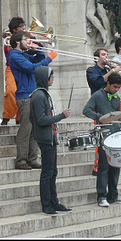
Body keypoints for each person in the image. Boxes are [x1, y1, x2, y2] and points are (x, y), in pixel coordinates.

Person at [7, 30, 56, 170]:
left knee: (35, 130)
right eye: (25, 39)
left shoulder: (22, 54)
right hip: (25, 96)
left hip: (33, 94)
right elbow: (33, 68)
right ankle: (21, 160)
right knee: (26, 129)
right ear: (17, 42)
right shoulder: (14, 55)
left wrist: (39, 49)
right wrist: (50, 58)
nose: (27, 42)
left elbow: (37, 60)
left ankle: (32, 158)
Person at [83, 72, 121, 207]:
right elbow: (86, 110)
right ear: (108, 84)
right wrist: (100, 117)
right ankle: (101, 196)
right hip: (103, 134)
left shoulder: (116, 97)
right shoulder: (97, 95)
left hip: (115, 135)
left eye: (118, 88)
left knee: (116, 165)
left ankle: (113, 195)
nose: (116, 90)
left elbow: (117, 114)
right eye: (114, 87)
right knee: (103, 167)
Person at [30, 66, 71, 215]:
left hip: (50, 137)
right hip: (45, 139)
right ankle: (46, 204)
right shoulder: (39, 96)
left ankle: (54, 202)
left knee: (53, 171)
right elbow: (40, 119)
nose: (53, 79)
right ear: (45, 78)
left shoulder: (43, 94)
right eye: (51, 77)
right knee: (47, 173)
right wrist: (61, 116)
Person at [86, 48, 121, 175]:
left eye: (107, 54)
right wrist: (113, 71)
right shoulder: (91, 70)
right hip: (99, 105)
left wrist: (115, 72)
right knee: (100, 136)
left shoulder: (108, 70)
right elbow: (97, 82)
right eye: (103, 55)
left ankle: (111, 161)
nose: (106, 57)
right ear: (97, 58)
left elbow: (116, 83)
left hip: (111, 105)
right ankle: (97, 166)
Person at [1, 16, 26, 125]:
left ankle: (19, 117)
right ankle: (7, 115)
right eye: (21, 27)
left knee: (23, 92)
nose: (24, 28)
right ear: (14, 29)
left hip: (23, 68)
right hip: (11, 68)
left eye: (24, 26)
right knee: (11, 91)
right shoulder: (9, 40)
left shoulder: (26, 38)